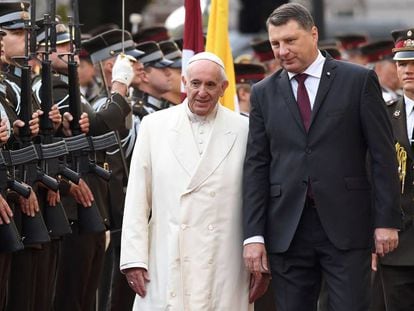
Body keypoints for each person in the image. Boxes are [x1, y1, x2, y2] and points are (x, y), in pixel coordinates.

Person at [242, 3, 402, 311]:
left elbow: (382, 155)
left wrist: (386, 221)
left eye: (290, 41)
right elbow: (256, 166)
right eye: (276, 43)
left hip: (347, 225)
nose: (282, 51)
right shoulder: (263, 93)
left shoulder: (357, 81)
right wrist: (253, 234)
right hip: (287, 229)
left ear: (313, 34)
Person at [120, 51, 252, 310]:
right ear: (184, 83)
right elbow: (137, 198)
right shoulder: (153, 126)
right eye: (195, 83)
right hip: (167, 253)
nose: (202, 92)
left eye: (210, 84)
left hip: (224, 259)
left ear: (224, 88)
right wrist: (134, 259)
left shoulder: (244, 129)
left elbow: (255, 199)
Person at [372, 27, 414, 311]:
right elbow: (369, 177)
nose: (407, 70)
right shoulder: (383, 117)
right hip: (397, 246)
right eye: (401, 63)